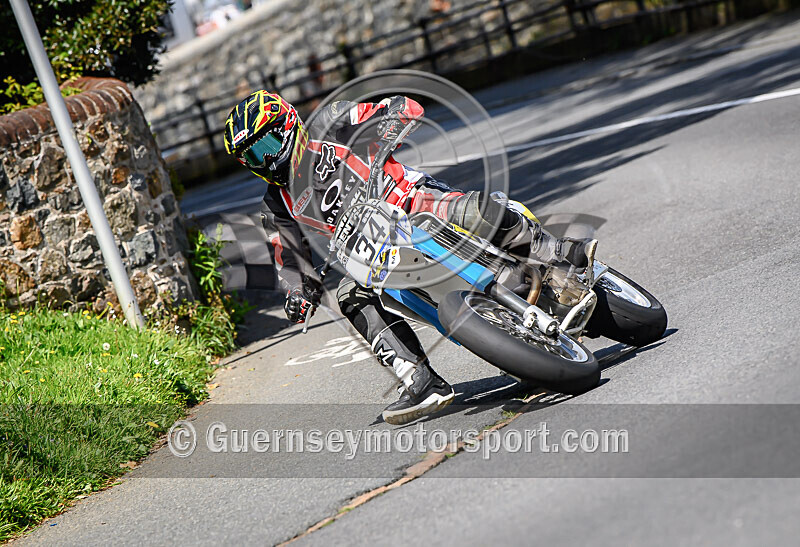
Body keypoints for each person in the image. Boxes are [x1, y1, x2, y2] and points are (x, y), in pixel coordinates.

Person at [223, 90, 596, 424]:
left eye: (268, 142)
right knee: (349, 295)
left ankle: (558, 254)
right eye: (253, 154)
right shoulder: (276, 204)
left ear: (288, 123)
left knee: (478, 211)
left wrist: (388, 129)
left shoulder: (330, 121)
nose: (265, 157)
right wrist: (297, 292)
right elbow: (288, 256)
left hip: (412, 201)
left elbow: (404, 107)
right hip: (372, 253)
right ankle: (420, 379)